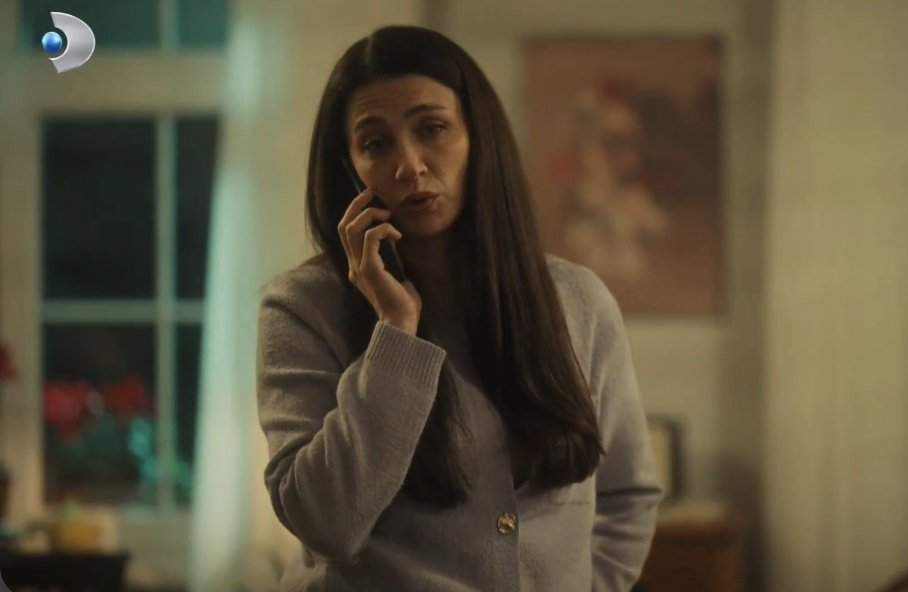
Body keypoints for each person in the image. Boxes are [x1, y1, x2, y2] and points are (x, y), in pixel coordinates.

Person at [255, 25, 663, 592]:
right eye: (376, 144)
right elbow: (327, 522)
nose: (409, 165)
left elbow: (627, 496)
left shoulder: (578, 301)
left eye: (433, 129)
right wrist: (396, 334)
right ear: (349, 168)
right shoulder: (301, 308)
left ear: (478, 136)